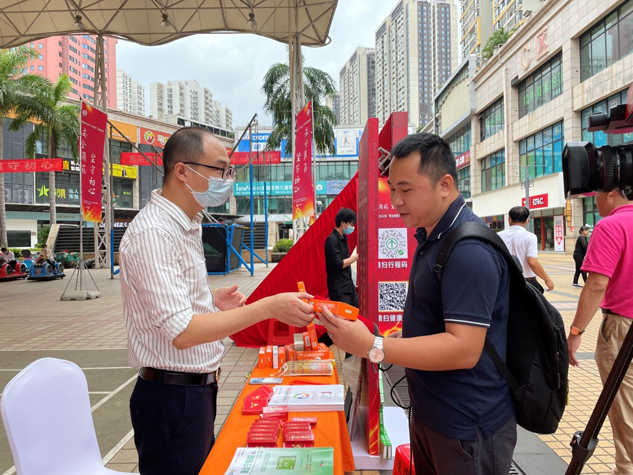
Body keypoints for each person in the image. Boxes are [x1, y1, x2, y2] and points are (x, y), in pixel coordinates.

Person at [119, 127, 315, 475]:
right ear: (182, 171)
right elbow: (183, 331)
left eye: (229, 170)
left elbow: (167, 301)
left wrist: (210, 300)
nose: (227, 179)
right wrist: (267, 307)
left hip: (194, 391)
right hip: (171, 397)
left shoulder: (186, 223)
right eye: (220, 169)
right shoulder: (154, 233)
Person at [319, 133, 516, 474]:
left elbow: (464, 349)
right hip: (432, 415)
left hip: (465, 425)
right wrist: (406, 338)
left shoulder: (468, 250)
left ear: (445, 184)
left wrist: (374, 346)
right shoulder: (433, 236)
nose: (396, 200)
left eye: (406, 190)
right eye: (393, 189)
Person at [568, 188, 633, 475]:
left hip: (623, 328)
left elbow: (596, 285)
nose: (595, 201)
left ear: (612, 192)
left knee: (626, 410)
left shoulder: (611, 225)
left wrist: (576, 331)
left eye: (597, 193)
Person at [498, 206, 554, 293]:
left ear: (509, 219)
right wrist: (547, 279)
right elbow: (532, 261)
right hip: (527, 282)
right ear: (527, 220)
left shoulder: (499, 236)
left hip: (505, 282)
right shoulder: (530, 237)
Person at [324, 207, 359, 308]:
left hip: (349, 286)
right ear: (343, 222)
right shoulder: (332, 240)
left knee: (357, 312)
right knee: (343, 316)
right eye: (351, 224)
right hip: (339, 289)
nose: (352, 227)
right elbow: (339, 264)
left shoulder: (344, 239)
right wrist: (357, 257)